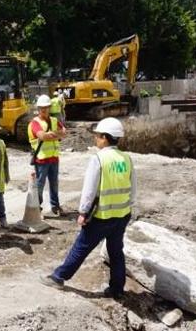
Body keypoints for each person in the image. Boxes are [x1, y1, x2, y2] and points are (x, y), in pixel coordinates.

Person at [40, 117, 136, 299]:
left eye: (98, 136)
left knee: (81, 247)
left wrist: (83, 212)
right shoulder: (127, 159)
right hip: (122, 215)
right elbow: (133, 190)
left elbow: (89, 190)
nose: (96, 138)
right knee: (116, 252)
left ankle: (59, 277)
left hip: (102, 216)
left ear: (106, 137)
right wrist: (126, 208)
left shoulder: (98, 159)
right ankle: (117, 289)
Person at [28, 94, 66, 216]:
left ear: (49, 107)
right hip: (42, 160)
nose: (44, 110)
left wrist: (51, 134)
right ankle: (37, 208)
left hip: (54, 158)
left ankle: (55, 206)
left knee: (54, 183)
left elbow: (64, 133)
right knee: (40, 184)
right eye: (41, 108)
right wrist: (55, 134)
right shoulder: (34, 123)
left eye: (46, 107)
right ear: (38, 109)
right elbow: (42, 136)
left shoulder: (54, 121)